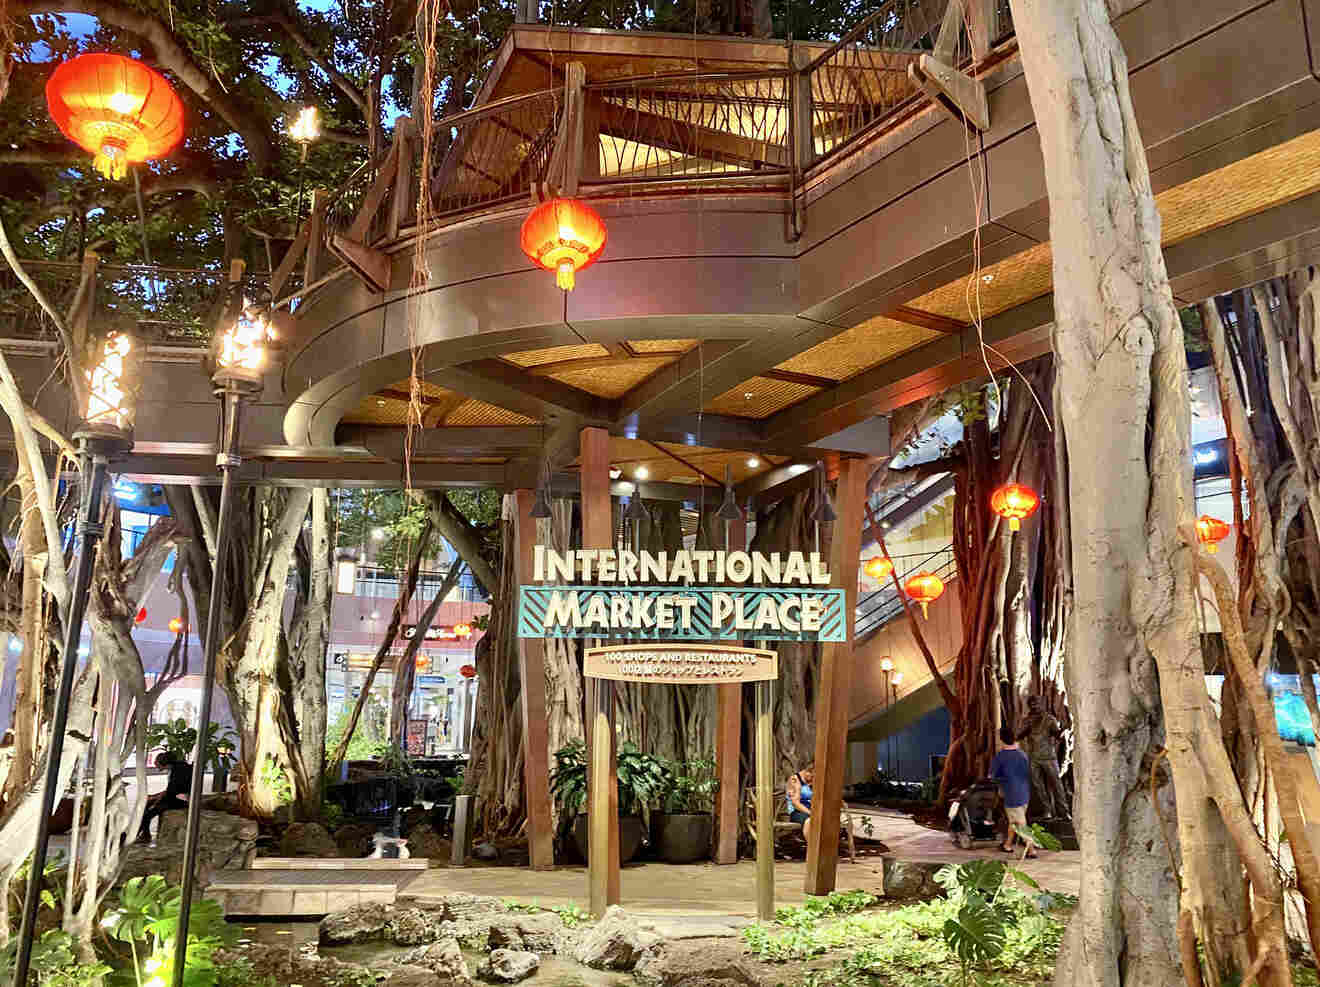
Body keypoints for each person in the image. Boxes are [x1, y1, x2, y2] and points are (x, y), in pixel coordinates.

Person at [1017, 696, 1070, 819]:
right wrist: (1025, 728)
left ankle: (1064, 811)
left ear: (1041, 704)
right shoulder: (1027, 721)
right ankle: (1047, 810)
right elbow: (1018, 735)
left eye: (1036, 703)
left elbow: (1057, 735)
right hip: (1034, 757)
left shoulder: (1049, 719)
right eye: (1031, 704)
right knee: (1038, 786)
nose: (1034, 706)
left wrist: (1063, 731)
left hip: (1048, 757)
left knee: (1057, 785)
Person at [990, 725, 1036, 858]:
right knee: (1015, 821)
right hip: (1024, 793)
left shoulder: (1001, 757)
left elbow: (993, 776)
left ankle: (1031, 849)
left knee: (1020, 823)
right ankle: (1007, 845)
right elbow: (1028, 773)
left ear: (1002, 740)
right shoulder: (1023, 755)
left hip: (1011, 794)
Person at [137, 750, 193, 843]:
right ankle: (143, 834)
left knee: (148, 814)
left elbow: (172, 792)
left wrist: (156, 798)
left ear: (164, 763)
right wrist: (155, 796)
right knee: (146, 804)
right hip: (176, 797)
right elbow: (171, 789)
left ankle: (143, 835)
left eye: (157, 763)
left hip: (179, 800)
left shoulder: (178, 771)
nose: (156, 765)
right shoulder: (178, 767)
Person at [785, 764, 815, 840]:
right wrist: (811, 813)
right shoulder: (795, 780)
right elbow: (795, 804)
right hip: (797, 812)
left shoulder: (809, 781)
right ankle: (811, 849)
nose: (813, 779)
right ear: (808, 771)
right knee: (810, 821)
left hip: (810, 809)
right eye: (812, 776)